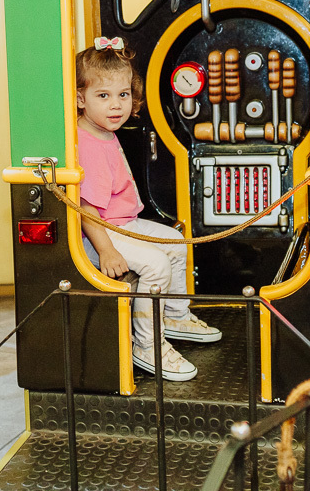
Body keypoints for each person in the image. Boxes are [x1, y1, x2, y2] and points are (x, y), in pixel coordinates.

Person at [76, 37, 220, 382]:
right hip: (102, 233)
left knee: (174, 243)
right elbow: (85, 208)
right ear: (80, 99)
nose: (116, 106)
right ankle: (148, 345)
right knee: (155, 265)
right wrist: (106, 250)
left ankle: (173, 315)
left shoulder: (102, 132)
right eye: (103, 96)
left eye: (123, 95)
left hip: (121, 222)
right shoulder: (88, 145)